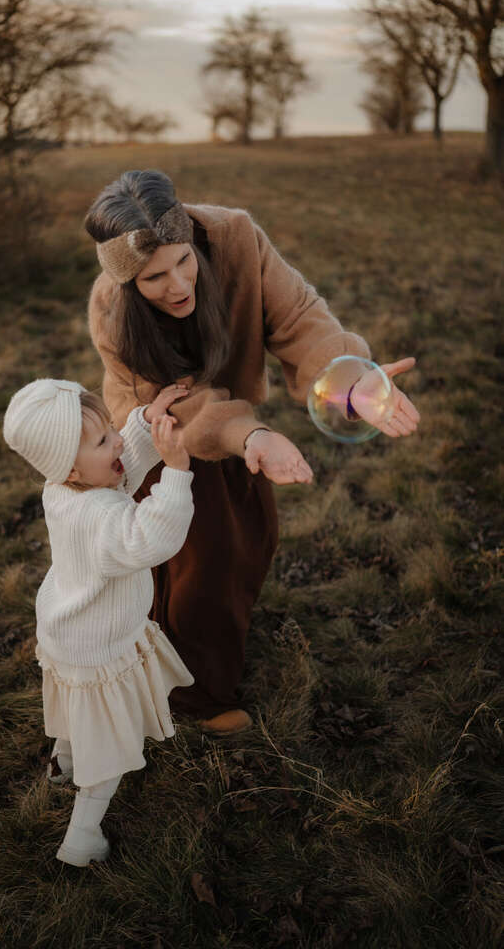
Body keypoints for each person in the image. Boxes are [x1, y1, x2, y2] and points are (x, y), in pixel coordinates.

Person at [86, 170, 420, 736]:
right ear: (127, 282)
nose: (178, 286)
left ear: (191, 234)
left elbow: (298, 316)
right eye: (154, 278)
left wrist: (349, 379)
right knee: (200, 561)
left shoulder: (237, 236)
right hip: (158, 438)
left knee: (253, 535)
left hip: (235, 427)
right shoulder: (111, 312)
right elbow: (174, 410)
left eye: (184, 261)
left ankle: (160, 648)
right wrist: (251, 437)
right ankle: (194, 697)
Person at [3, 377, 195, 866]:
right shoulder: (101, 517)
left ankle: (63, 763)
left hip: (67, 632)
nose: (117, 442)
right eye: (103, 439)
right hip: (101, 642)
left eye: (112, 429)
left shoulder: (62, 488)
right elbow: (150, 537)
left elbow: (120, 465)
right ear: (71, 464)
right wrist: (175, 472)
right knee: (110, 740)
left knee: (76, 705)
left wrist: (145, 419)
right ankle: (83, 835)